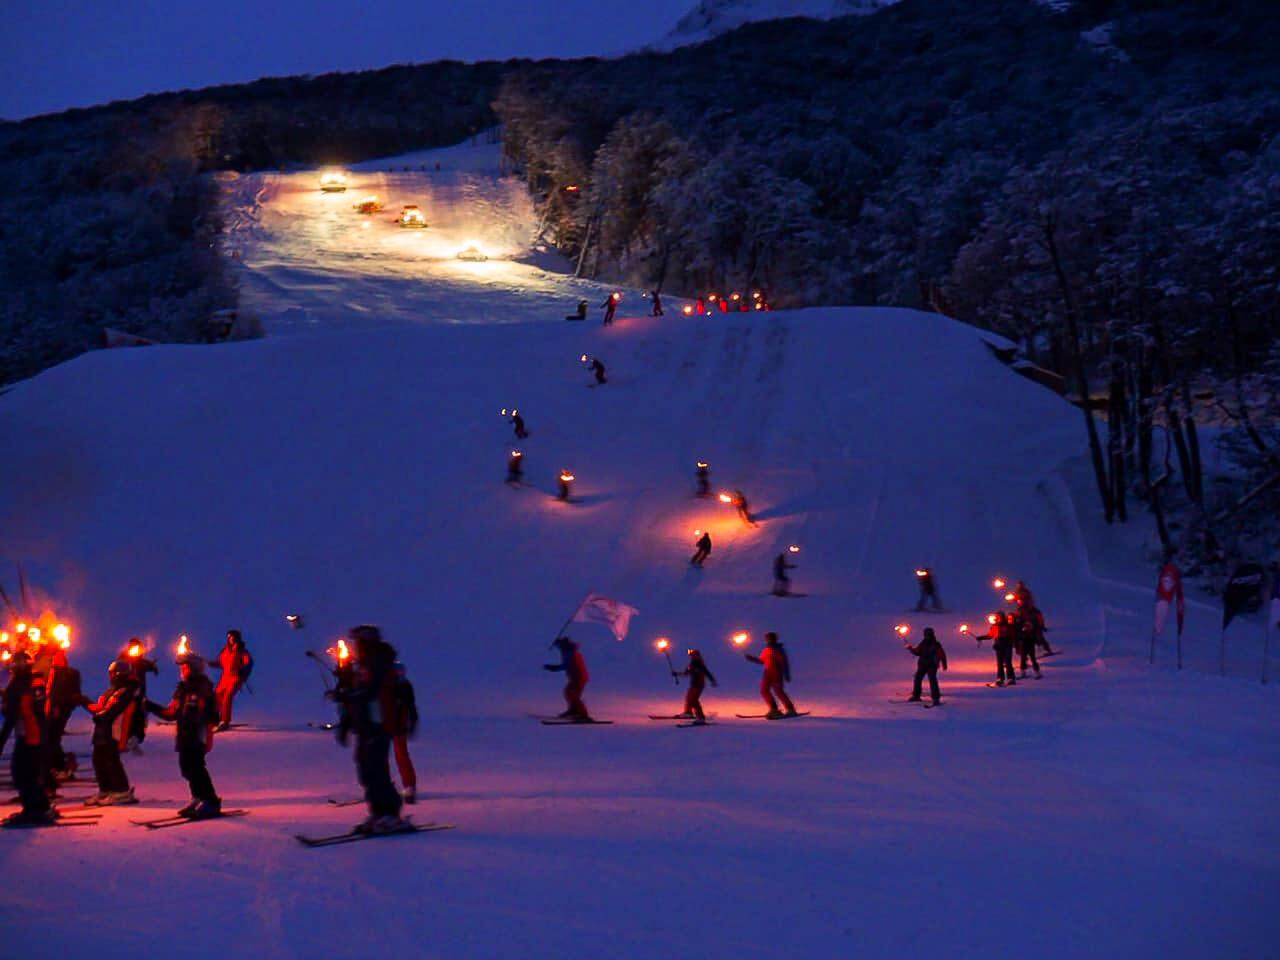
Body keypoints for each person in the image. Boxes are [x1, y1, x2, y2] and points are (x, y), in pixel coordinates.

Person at [329, 625, 409, 833]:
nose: (356, 646)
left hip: (378, 724)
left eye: (358, 642)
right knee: (365, 770)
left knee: (377, 770)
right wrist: (346, 723)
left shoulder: (379, 662)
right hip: (365, 725)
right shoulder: (363, 664)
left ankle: (391, 814)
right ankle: (378, 813)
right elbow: (357, 694)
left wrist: (346, 696)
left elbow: (369, 692)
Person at [145, 650, 221, 818]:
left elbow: (206, 711)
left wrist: (198, 717)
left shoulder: (202, 687)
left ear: (193, 669)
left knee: (196, 768)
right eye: (182, 668)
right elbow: (171, 712)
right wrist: (149, 705)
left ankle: (211, 801)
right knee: (186, 768)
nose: (182, 671)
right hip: (185, 734)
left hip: (197, 734)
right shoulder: (183, 689)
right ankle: (198, 797)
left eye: (185, 667)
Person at [1, 652, 54, 826]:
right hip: (38, 732)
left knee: (21, 773)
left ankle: (32, 811)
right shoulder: (35, 681)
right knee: (30, 772)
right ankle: (41, 805)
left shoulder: (18, 684)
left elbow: (12, 714)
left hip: (28, 734)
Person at [84, 658, 138, 805]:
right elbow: (99, 708)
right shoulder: (111, 691)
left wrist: (101, 717)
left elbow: (113, 711)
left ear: (119, 674)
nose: (110, 677)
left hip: (113, 731)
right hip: (102, 731)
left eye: (113, 674)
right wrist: (83, 701)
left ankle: (121, 791)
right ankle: (106, 789)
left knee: (111, 761)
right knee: (98, 760)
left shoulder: (126, 692)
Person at [43, 643, 83, 782]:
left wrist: (60, 707)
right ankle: (58, 764)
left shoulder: (69, 673)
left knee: (52, 738)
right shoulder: (53, 672)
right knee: (51, 738)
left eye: (58, 657)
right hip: (53, 709)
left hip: (60, 709)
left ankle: (60, 766)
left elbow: (71, 693)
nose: (56, 659)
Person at [744, 632, 796, 718]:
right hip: (767, 673)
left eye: (770, 638)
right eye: (767, 638)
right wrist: (752, 659)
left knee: (778, 691)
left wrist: (786, 674)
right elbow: (762, 661)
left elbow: (784, 663)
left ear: (775, 639)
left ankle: (791, 709)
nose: (768, 640)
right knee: (764, 690)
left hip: (777, 673)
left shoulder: (778, 650)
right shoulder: (766, 650)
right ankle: (774, 710)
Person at [119, 639, 157, 747]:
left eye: (137, 647)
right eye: (133, 646)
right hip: (126, 694)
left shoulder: (142, 662)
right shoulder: (124, 660)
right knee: (125, 716)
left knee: (139, 714)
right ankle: (125, 737)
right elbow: (118, 666)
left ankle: (136, 737)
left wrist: (153, 667)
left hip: (139, 695)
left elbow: (148, 665)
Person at [390, 661, 419, 804]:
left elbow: (411, 707)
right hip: (387, 725)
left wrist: (412, 723)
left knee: (401, 755)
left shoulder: (404, 686)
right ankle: (385, 787)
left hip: (398, 726)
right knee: (382, 757)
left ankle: (409, 786)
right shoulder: (386, 686)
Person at [544, 636, 590, 721]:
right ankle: (573, 710)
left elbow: (566, 665)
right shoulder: (568, 652)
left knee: (572, 694)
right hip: (575, 677)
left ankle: (583, 715)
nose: (558, 648)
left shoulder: (570, 653)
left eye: (559, 646)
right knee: (569, 693)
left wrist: (554, 668)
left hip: (579, 677)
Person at [214, 629, 253, 731]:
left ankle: (225, 721)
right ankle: (214, 717)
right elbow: (221, 663)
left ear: (237, 638)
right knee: (217, 696)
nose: (231, 639)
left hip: (235, 678)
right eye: (229, 637)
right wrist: (212, 664)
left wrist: (243, 671)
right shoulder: (225, 651)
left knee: (227, 696)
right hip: (225, 678)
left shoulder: (241, 651)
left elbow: (249, 663)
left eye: (233, 637)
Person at [905, 626, 947, 705]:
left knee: (932, 680)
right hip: (922, 664)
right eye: (926, 634)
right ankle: (916, 695)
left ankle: (935, 698)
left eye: (928, 634)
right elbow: (918, 652)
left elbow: (942, 654)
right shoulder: (923, 643)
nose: (927, 636)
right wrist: (911, 649)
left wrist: (944, 664)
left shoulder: (936, 644)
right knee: (917, 678)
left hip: (932, 665)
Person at [673, 648, 717, 723]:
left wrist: (712, 680)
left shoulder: (699, 663)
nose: (692, 657)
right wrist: (677, 674)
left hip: (699, 684)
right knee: (689, 698)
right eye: (691, 655)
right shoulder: (692, 664)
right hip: (693, 684)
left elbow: (707, 672)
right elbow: (686, 673)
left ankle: (701, 717)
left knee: (694, 700)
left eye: (694, 655)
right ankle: (688, 712)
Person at [976, 612, 1017, 686]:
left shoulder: (1008, 626)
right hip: (998, 646)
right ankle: (1000, 678)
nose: (998, 619)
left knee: (1008, 662)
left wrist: (1014, 642)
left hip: (1007, 645)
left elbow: (1013, 635)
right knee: (1000, 663)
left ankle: (1011, 678)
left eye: (1000, 617)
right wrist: (981, 637)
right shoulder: (994, 626)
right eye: (997, 617)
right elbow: (990, 635)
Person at [1013, 609, 1042, 679]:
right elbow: (1019, 635)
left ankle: (1037, 673)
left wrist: (1038, 643)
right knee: (1023, 659)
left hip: (1030, 646)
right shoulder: (1020, 627)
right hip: (1024, 646)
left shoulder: (1030, 630)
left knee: (1033, 659)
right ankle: (1023, 673)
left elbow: (1035, 636)